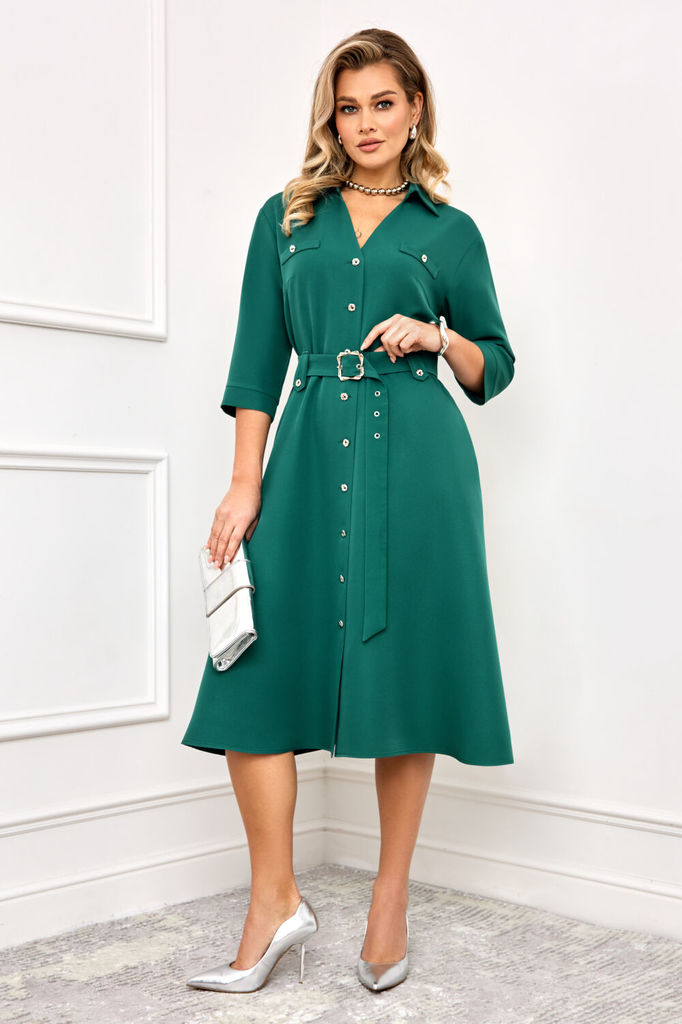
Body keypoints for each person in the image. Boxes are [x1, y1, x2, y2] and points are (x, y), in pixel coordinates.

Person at [182, 27, 516, 994]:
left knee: (402, 681)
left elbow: (495, 363)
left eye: (383, 103)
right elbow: (256, 362)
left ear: (415, 109)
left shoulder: (451, 231)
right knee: (251, 678)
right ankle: (274, 901)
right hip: (305, 453)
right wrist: (244, 481)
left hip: (418, 466)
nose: (365, 123)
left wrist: (437, 335)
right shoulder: (287, 218)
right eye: (348, 105)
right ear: (330, 117)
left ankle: (388, 900)